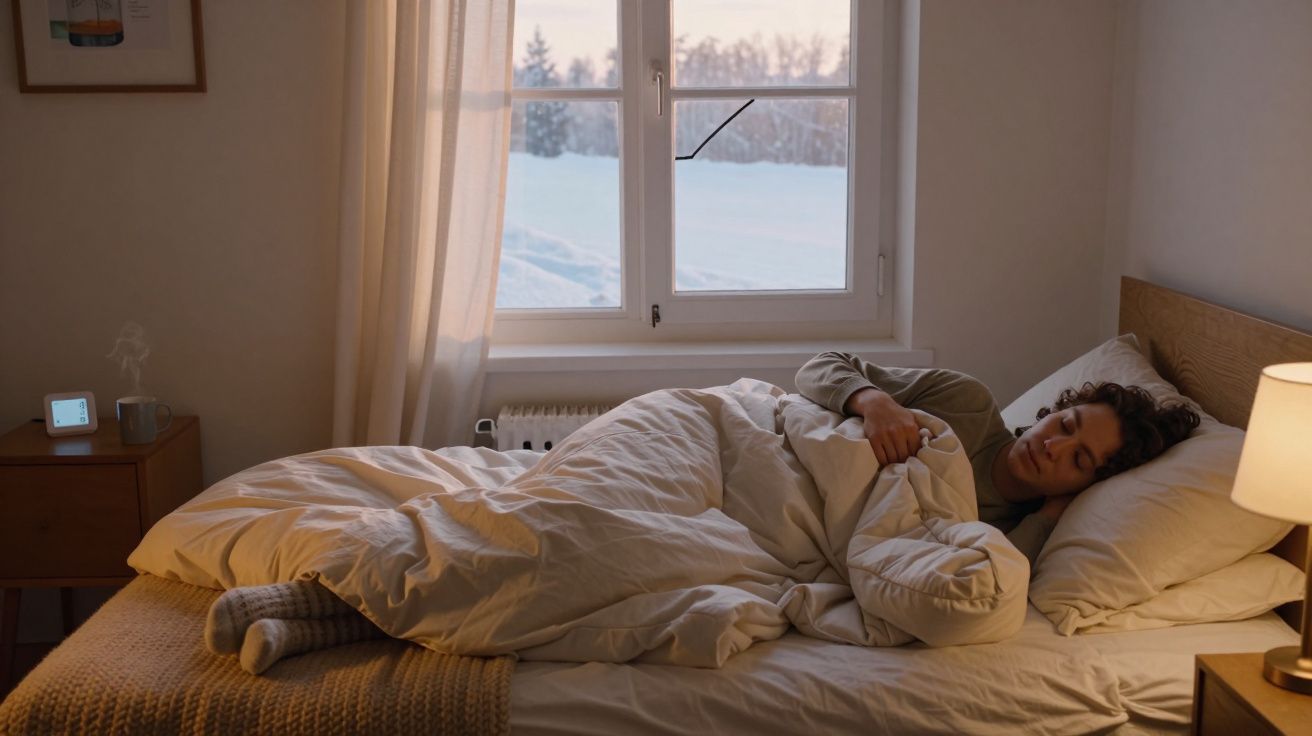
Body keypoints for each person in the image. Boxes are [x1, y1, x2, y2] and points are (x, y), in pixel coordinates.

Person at [795, 353, 1200, 567]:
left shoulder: (1012, 533)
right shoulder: (966, 403)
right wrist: (873, 401)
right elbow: (818, 366)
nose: (1053, 447)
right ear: (1055, 411)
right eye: (1065, 425)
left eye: (1078, 460)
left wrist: (1049, 516)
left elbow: (983, 577)